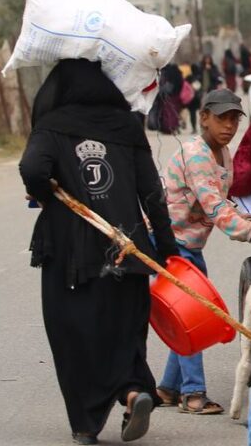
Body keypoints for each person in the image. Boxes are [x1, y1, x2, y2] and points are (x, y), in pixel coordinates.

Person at [19, 59, 178, 445]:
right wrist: (167, 249)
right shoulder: (126, 126)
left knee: (74, 335)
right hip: (127, 251)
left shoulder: (52, 127)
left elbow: (32, 168)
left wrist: (47, 195)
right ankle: (132, 391)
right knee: (124, 332)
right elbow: (152, 193)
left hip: (71, 258)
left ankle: (86, 425)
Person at [155, 89, 251, 414]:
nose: (228, 126)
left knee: (191, 314)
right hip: (170, 243)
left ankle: (168, 388)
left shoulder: (222, 154)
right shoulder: (197, 153)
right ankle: (193, 394)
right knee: (191, 315)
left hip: (190, 244)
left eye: (234, 119)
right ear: (203, 118)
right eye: (221, 118)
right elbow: (212, 205)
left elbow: (224, 202)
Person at [186, 55, 222, 134]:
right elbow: (196, 78)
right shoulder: (200, 68)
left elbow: (217, 78)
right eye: (206, 59)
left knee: (211, 110)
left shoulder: (213, 68)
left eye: (209, 59)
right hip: (202, 91)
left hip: (211, 91)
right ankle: (202, 126)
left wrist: (210, 70)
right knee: (202, 110)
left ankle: (210, 126)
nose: (207, 61)